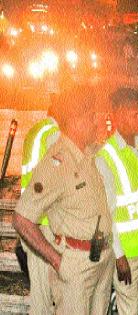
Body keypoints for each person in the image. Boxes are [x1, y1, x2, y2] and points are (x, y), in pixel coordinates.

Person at [13, 85, 114, 315]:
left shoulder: (87, 154)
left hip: (101, 260)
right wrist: (58, 261)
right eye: (91, 118)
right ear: (76, 122)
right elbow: (21, 219)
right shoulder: (57, 163)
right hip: (76, 266)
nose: (96, 123)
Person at [96, 87, 138, 315]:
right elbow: (108, 213)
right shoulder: (107, 158)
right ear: (120, 116)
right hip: (128, 252)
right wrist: (119, 256)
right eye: (136, 114)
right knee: (128, 309)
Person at [20, 97, 60, 315]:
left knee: (40, 292)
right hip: (44, 225)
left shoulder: (35, 131)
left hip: (31, 221)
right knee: (46, 296)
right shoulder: (53, 135)